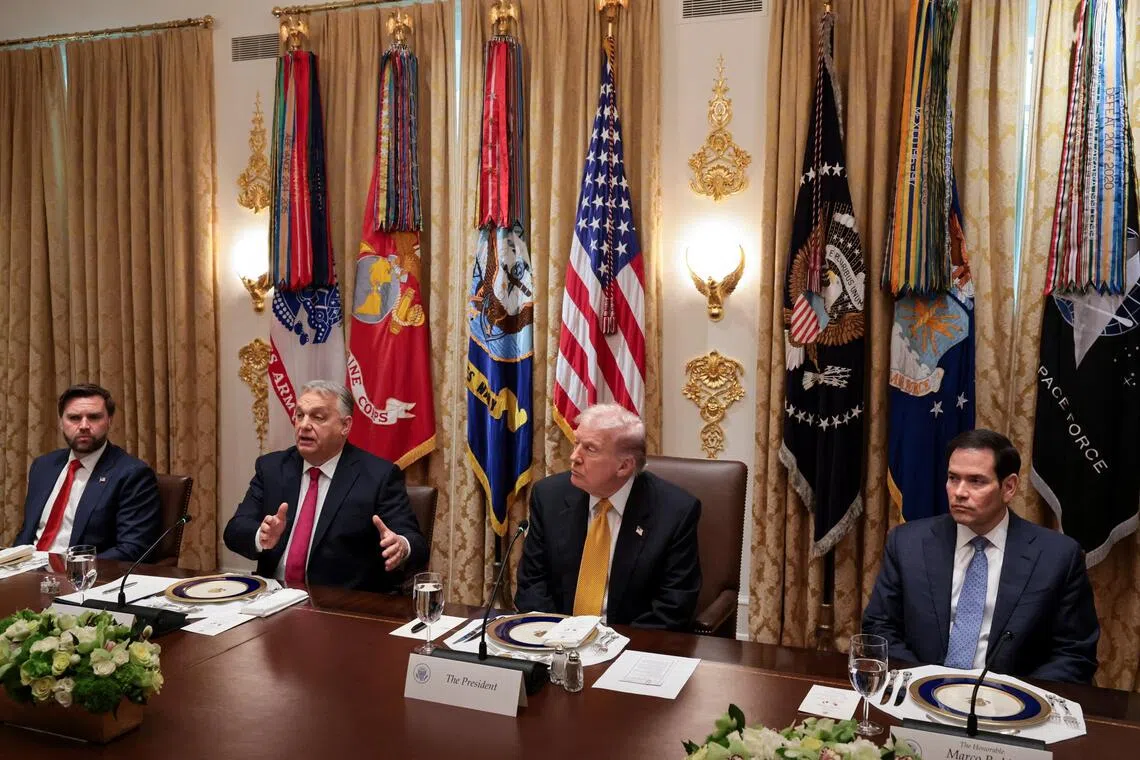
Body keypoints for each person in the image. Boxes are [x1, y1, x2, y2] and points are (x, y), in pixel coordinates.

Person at [863, 429, 1099, 683]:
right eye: (953, 478)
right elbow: (879, 627)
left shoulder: (1057, 557)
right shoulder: (908, 543)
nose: (959, 492)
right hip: (920, 694)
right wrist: (924, 683)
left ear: (1008, 487)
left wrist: (1015, 696)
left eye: (976, 481)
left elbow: (1075, 653)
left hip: (1013, 707)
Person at [224, 380, 427, 593]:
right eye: (300, 415)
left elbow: (416, 543)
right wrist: (261, 536)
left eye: (318, 417)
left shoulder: (378, 476)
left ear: (345, 426)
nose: (304, 425)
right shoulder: (272, 468)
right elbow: (234, 530)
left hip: (340, 607)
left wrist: (401, 545)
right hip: (273, 600)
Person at [515, 403, 701, 630]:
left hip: (630, 646)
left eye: (590, 449)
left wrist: (611, 647)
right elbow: (532, 582)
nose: (574, 457)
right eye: (576, 443)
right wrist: (555, 637)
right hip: (555, 641)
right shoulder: (549, 496)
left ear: (624, 466)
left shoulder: (675, 512)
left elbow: (673, 606)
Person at [13, 384, 160, 561]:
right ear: (61, 422)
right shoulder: (43, 466)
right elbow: (27, 532)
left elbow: (132, 549)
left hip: (82, 577)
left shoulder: (132, 474)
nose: (84, 426)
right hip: (27, 571)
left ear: (109, 421)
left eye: (94, 417)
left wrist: (73, 569)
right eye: (74, 418)